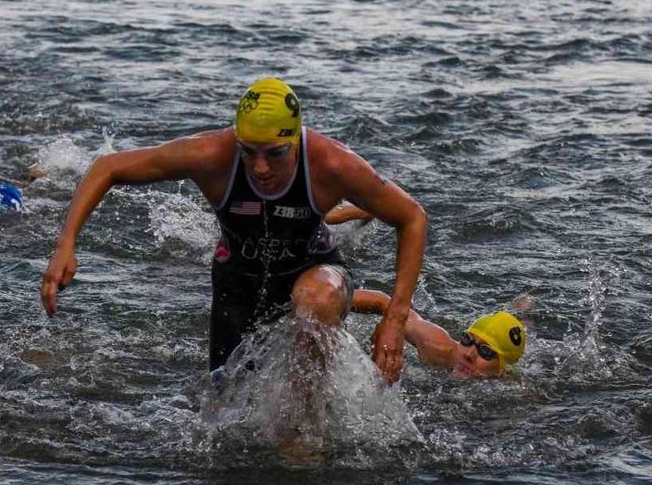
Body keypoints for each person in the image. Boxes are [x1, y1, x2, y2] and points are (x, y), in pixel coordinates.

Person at [40, 78, 427, 383]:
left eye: (274, 154)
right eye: (248, 151)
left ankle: (304, 439)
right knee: (228, 400)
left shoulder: (332, 165)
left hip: (314, 267)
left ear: (295, 141)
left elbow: (412, 217)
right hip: (237, 283)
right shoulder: (211, 155)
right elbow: (107, 166)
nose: (259, 167)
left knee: (317, 298)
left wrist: (394, 320)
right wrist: (66, 243)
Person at [351, 289, 527, 380]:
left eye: (486, 352)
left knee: (523, 319)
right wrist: (331, 301)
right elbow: (384, 302)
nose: (469, 354)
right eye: (467, 340)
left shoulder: (512, 388)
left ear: (504, 368)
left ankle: (522, 311)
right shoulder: (438, 348)